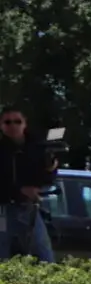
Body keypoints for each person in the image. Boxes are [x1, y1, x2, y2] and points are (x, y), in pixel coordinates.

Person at [0, 107, 55, 262]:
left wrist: (51, 168)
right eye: (7, 122)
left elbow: (48, 177)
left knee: (41, 248)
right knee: (2, 248)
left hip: (29, 207)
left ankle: (51, 283)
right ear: (1, 126)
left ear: (24, 124)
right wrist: (20, 189)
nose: (13, 126)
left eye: (17, 121)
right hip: (3, 207)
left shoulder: (37, 147)